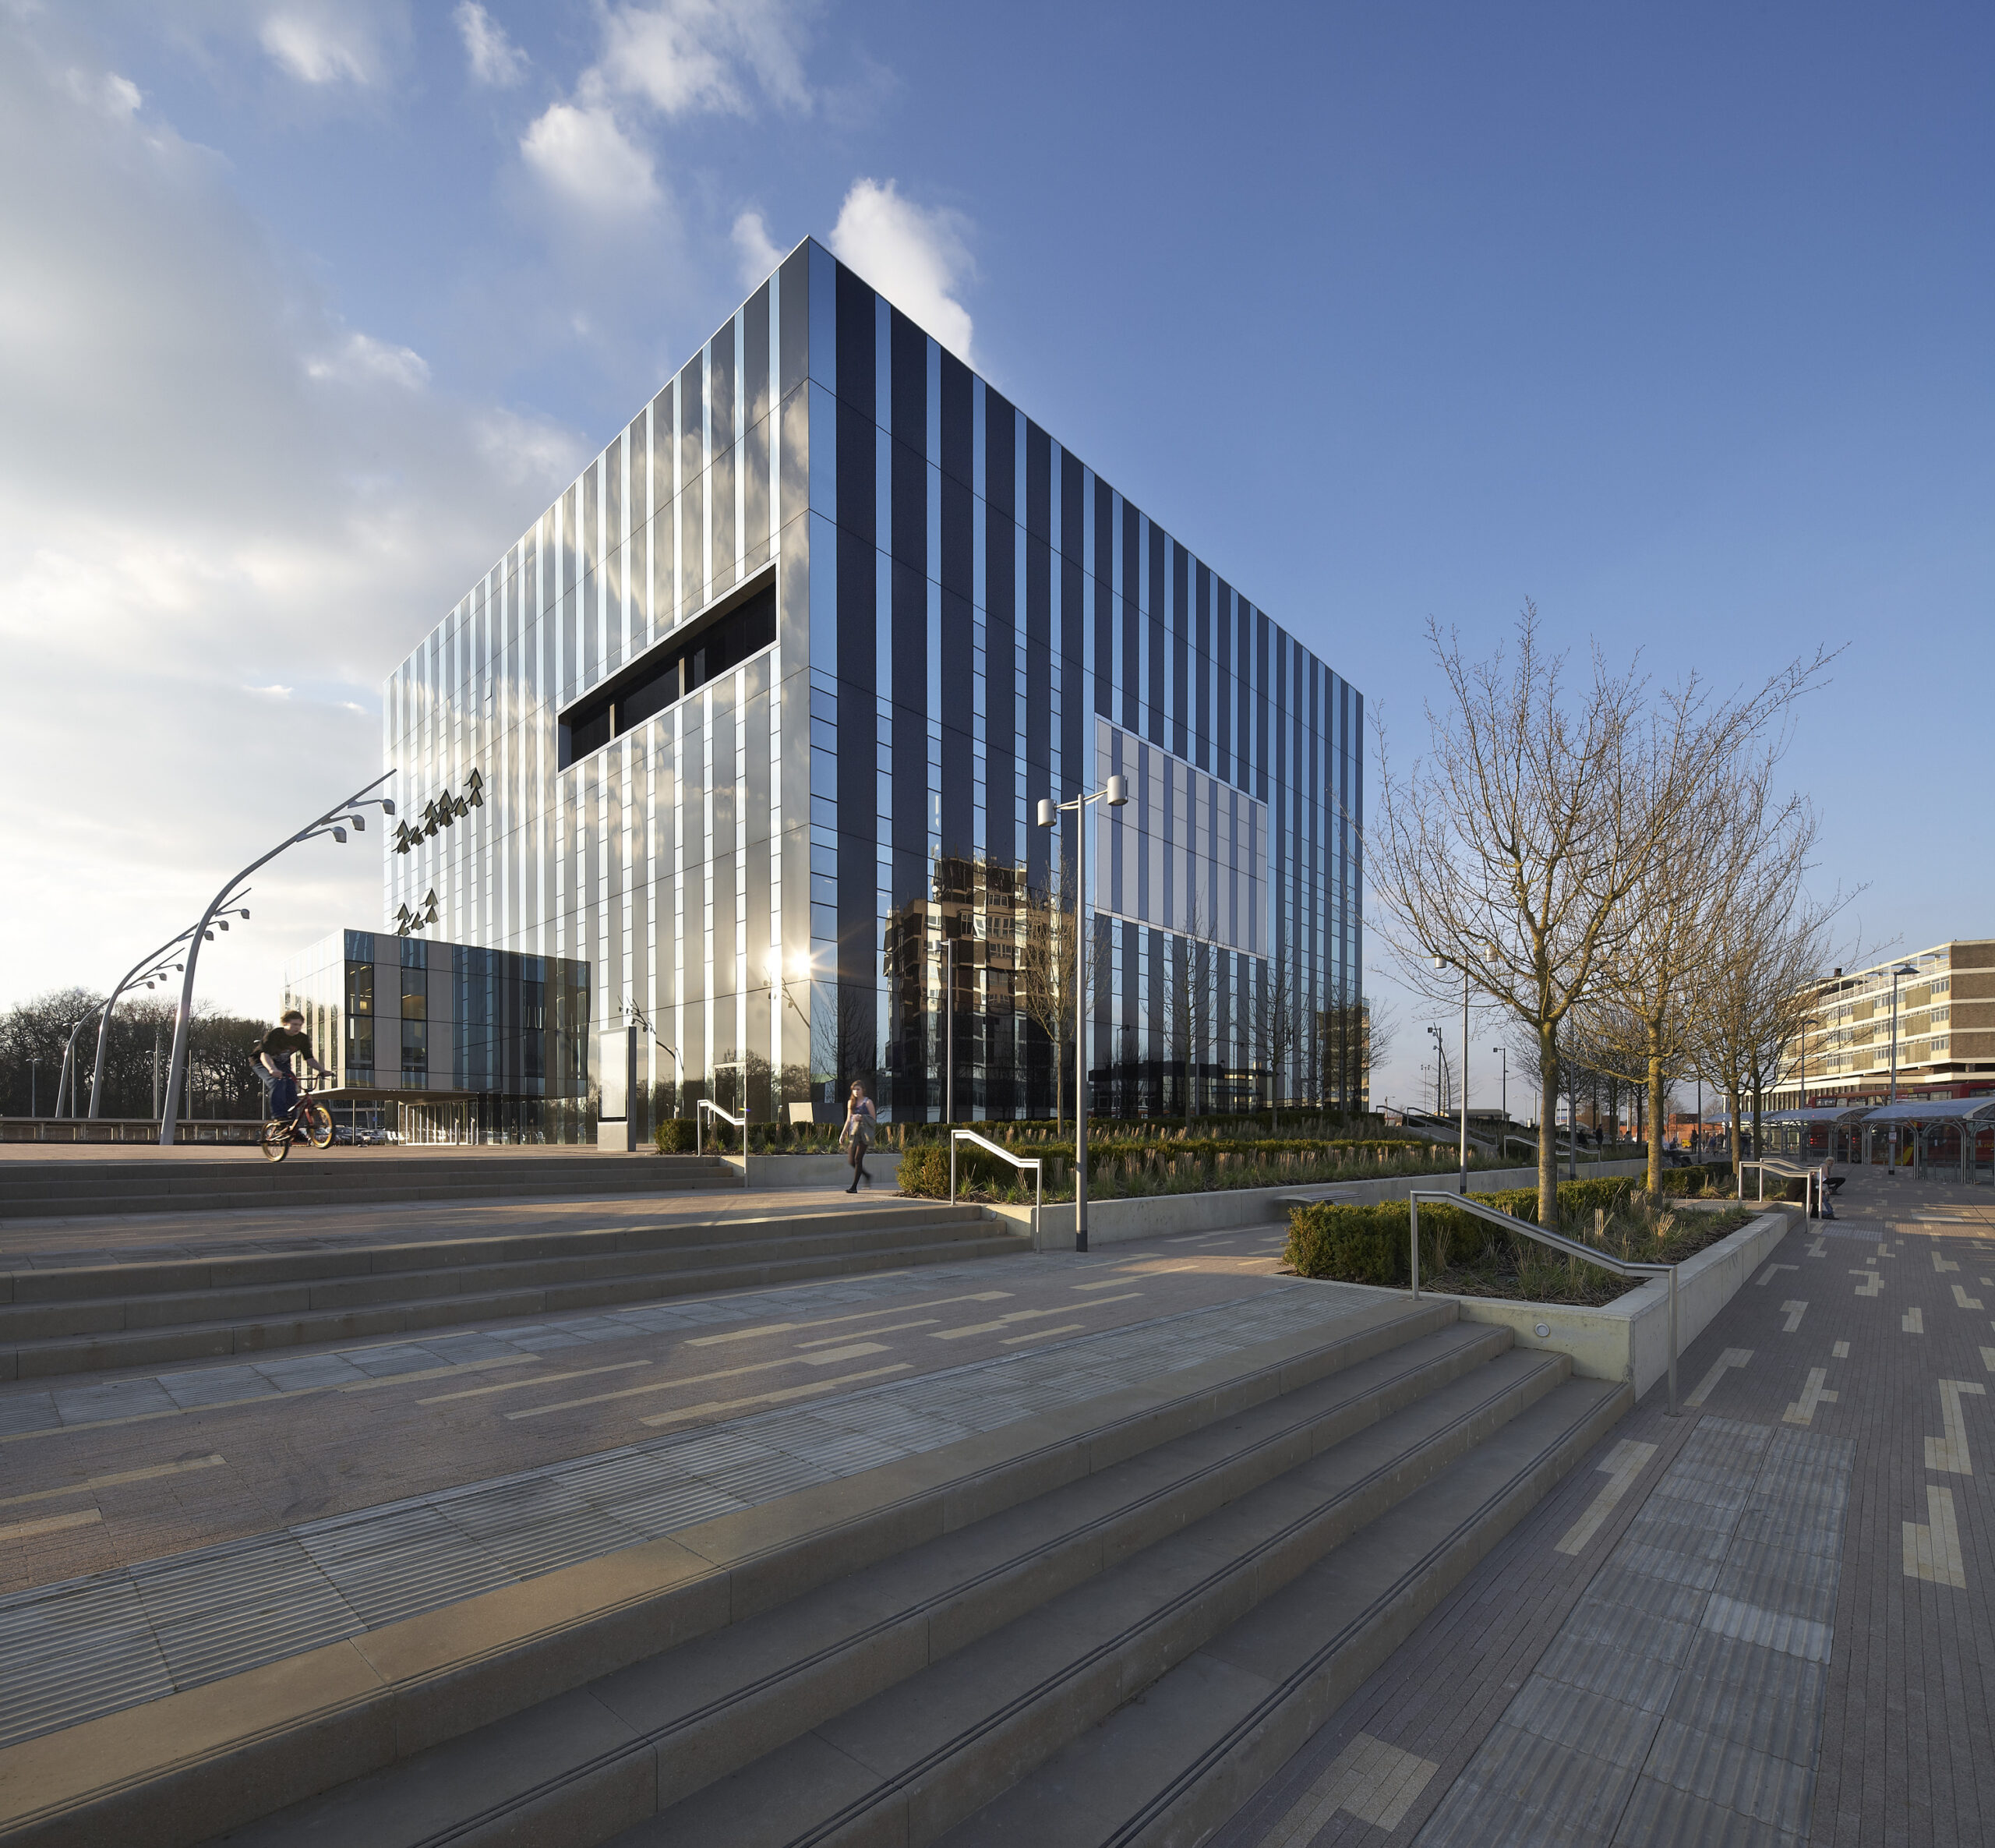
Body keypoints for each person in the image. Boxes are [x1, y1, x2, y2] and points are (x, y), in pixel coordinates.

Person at [256, 1010, 330, 1131]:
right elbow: (264, 1055)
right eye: (294, 1024)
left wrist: (322, 1070)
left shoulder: (302, 1039)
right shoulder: (275, 1034)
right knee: (277, 1083)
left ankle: (292, 1128)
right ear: (285, 1023)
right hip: (262, 1063)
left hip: (282, 1064)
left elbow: (309, 1058)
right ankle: (279, 1117)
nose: (297, 1028)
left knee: (292, 1088)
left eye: (300, 1025)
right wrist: (271, 1069)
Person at [839, 1081, 877, 1192]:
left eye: (858, 1089)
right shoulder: (851, 1102)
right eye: (854, 1089)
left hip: (864, 1135)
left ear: (863, 1090)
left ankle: (854, 1187)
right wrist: (842, 1133)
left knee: (858, 1158)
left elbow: (874, 1119)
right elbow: (848, 1120)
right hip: (854, 1134)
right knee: (851, 1161)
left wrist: (861, 1118)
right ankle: (867, 1175)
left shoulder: (868, 1102)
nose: (856, 1091)